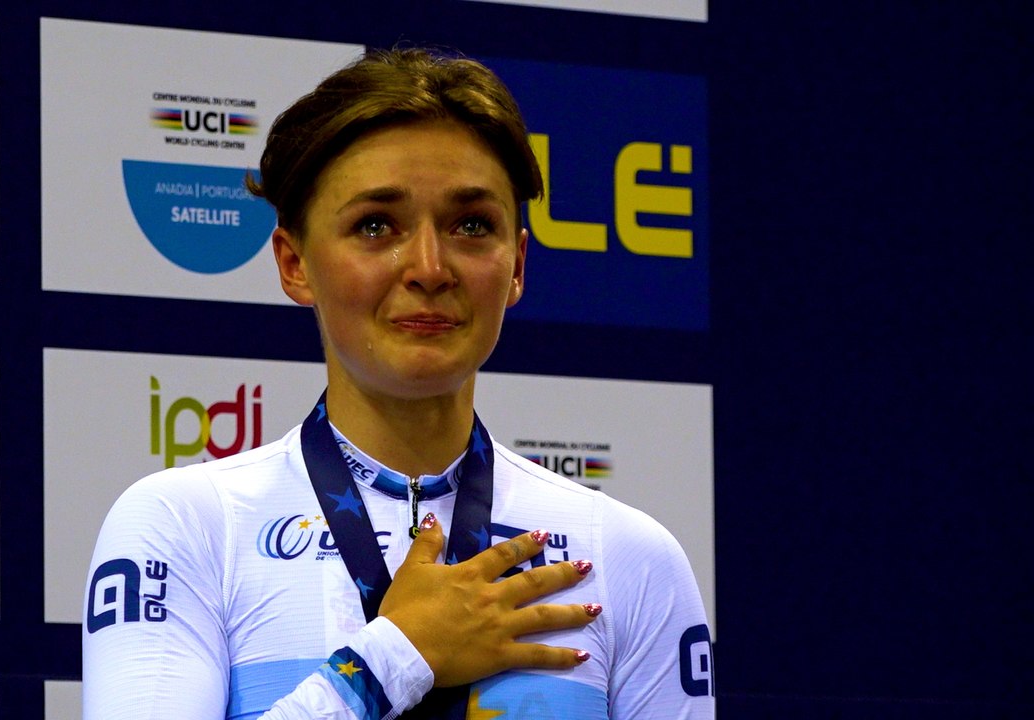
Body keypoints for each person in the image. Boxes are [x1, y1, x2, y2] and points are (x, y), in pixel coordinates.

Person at [83, 48, 714, 719]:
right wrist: (394, 656)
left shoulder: (627, 554)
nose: (430, 266)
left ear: (518, 264)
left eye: (472, 225)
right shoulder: (187, 526)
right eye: (376, 225)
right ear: (295, 263)